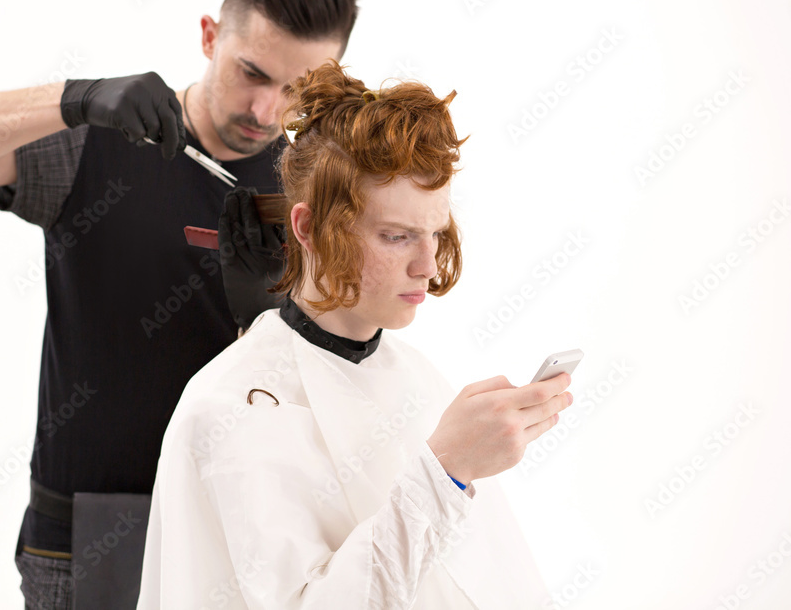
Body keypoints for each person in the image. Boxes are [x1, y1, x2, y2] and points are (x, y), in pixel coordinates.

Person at [0, 0, 358, 607]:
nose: (265, 109)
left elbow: (337, 392)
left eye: (297, 89)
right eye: (251, 72)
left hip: (240, 540)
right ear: (209, 36)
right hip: (85, 541)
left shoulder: (315, 193)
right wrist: (75, 99)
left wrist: (263, 326)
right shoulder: (98, 142)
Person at [138, 60, 572, 609]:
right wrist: (447, 472)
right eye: (396, 236)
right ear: (308, 228)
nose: (427, 266)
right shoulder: (230, 409)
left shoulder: (417, 375)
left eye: (435, 234)